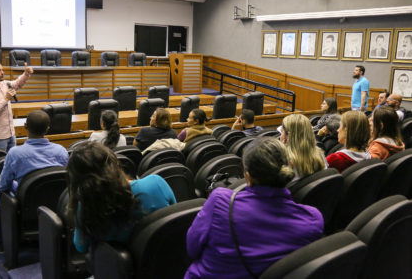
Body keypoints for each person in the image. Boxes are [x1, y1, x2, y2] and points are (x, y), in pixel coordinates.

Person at [185, 137, 323, 278]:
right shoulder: (313, 220)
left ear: (248, 177)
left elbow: (192, 249)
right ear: (291, 166)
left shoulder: (220, 202)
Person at [0, 110, 69, 253]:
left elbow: (3, 186)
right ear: (48, 128)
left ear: (25, 126)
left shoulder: (15, 153)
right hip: (55, 204)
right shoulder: (61, 150)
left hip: (24, 204)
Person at [67, 141, 176, 253]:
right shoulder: (156, 184)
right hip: (166, 261)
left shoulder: (86, 207)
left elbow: (81, 247)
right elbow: (176, 221)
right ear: (115, 163)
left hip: (123, 269)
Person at [279, 114, 326, 183]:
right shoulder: (320, 155)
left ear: (288, 136)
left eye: (282, 132)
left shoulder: (284, 162)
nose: (280, 136)